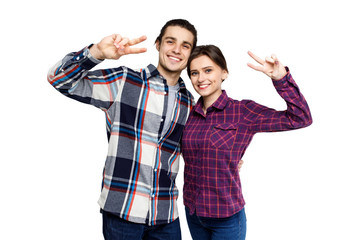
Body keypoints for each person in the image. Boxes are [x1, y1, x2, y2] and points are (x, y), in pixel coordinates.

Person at [47, 19, 197, 240]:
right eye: (170, 41)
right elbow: (59, 79)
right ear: (158, 44)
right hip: (122, 212)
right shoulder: (124, 81)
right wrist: (97, 52)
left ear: (191, 53)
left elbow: (194, 149)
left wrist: (227, 157)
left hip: (165, 216)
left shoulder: (190, 103)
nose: (176, 49)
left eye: (185, 45)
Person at [181, 45, 312, 240]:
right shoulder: (188, 112)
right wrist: (226, 161)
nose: (201, 79)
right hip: (193, 213)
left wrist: (280, 79)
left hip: (226, 218)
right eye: (194, 73)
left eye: (208, 70)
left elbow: (301, 118)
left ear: (224, 73)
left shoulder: (243, 111)